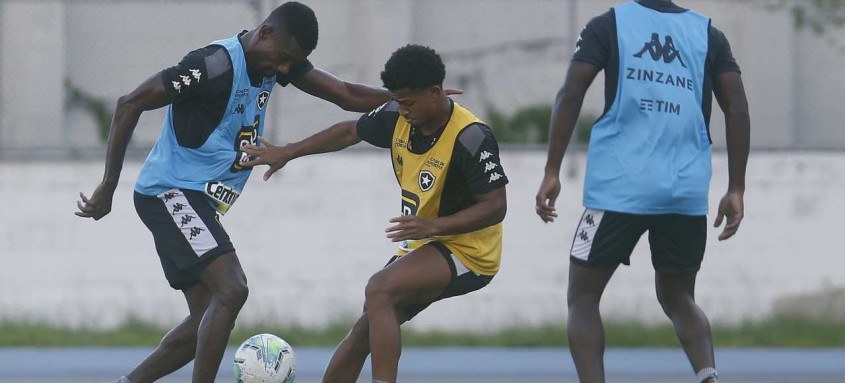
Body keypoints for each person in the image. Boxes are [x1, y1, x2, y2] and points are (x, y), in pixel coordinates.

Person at [75, 2, 400, 382]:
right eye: (281, 59)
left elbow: (346, 94)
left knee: (204, 321)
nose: (283, 71)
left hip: (198, 202)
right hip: (170, 192)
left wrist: (408, 95)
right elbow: (129, 103)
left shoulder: (278, 62)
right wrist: (108, 186)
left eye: (290, 64)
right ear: (265, 33)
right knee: (232, 289)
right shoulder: (211, 66)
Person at [242, 44, 508, 383]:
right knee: (363, 331)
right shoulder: (399, 117)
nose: (402, 109)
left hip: (470, 252)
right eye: (397, 101)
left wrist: (433, 226)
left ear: (435, 93)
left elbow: (496, 206)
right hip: (426, 243)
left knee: (379, 290)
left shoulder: (471, 136)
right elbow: (349, 131)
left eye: (408, 102)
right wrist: (289, 151)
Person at [534, 1, 750, 382]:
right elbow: (737, 108)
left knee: (582, 297)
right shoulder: (708, 34)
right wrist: (736, 187)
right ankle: (709, 375)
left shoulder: (609, 25)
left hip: (619, 188)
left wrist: (552, 169)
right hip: (683, 192)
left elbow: (570, 93)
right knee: (679, 297)